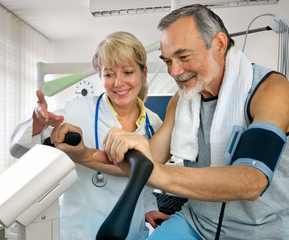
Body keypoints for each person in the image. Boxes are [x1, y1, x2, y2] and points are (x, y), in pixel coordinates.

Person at [51, 4, 289, 240]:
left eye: (183, 57)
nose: (174, 71)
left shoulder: (271, 90)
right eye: (168, 61)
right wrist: (84, 155)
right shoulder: (181, 100)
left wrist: (154, 171)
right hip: (199, 222)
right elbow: (146, 162)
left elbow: (251, 181)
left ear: (218, 44)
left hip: (266, 230)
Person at [10, 31, 170, 239]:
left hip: (131, 231)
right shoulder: (76, 111)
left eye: (128, 72)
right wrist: (37, 123)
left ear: (143, 73)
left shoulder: (153, 123)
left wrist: (149, 207)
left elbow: (144, 177)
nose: (118, 83)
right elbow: (19, 149)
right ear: (101, 76)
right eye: (109, 74)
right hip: (82, 230)